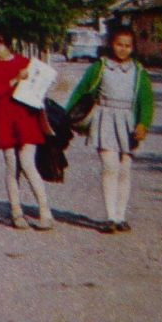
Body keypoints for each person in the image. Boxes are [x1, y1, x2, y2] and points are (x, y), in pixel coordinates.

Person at [65, 25, 154, 234]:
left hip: (128, 123)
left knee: (124, 170)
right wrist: (66, 114)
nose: (122, 49)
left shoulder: (139, 72)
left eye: (127, 46)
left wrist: (143, 124)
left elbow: (147, 101)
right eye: (118, 44)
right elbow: (81, 91)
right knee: (110, 167)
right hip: (104, 118)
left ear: (133, 47)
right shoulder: (100, 67)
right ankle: (110, 216)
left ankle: (121, 216)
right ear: (110, 44)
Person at [0, 21, 54, 231]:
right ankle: (16, 212)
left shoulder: (26, 63)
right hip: (4, 119)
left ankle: (45, 212)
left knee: (28, 164)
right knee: (12, 165)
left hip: (25, 119)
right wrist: (15, 79)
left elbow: (40, 87)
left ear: (1, 39)